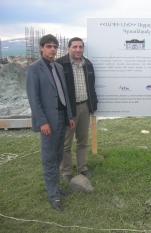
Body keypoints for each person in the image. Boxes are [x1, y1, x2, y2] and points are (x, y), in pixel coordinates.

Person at [26, 34, 75, 211]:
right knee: (49, 159)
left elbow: (64, 95)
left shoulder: (58, 67)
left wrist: (69, 115)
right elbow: (34, 99)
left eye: (55, 46)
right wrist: (42, 122)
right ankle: (54, 196)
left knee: (59, 155)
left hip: (62, 118)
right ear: (41, 48)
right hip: (48, 122)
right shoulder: (34, 69)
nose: (52, 49)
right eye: (49, 46)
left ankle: (56, 187)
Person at [55, 37, 98, 182]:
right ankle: (66, 170)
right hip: (68, 109)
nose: (78, 50)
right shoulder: (60, 64)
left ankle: (82, 167)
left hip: (85, 106)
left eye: (80, 47)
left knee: (83, 140)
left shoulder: (88, 64)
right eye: (75, 47)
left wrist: (93, 104)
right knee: (66, 142)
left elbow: (91, 86)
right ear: (69, 48)